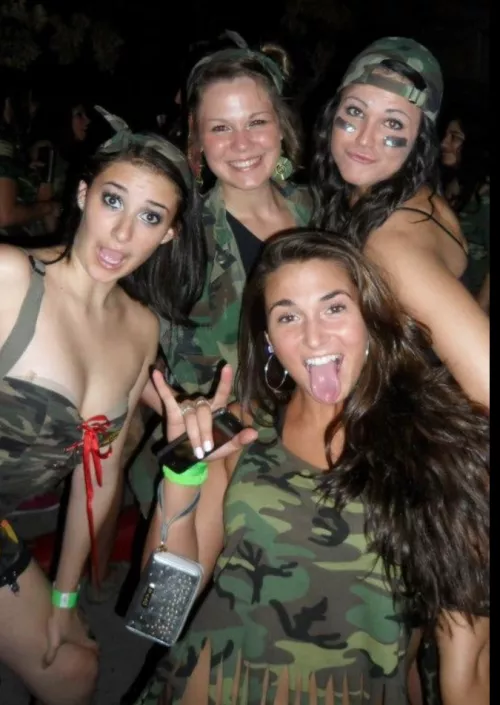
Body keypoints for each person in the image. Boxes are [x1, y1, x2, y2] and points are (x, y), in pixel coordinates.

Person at [135, 229, 489, 705]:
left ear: (370, 315)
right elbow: (160, 613)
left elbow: (468, 668)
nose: (314, 336)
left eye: (334, 308)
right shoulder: (240, 431)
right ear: (268, 340)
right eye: (288, 316)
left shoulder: (440, 449)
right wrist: (183, 471)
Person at [0, 110, 205, 705]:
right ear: (83, 195)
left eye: (149, 217)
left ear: (168, 234)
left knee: (75, 671)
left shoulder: (141, 329)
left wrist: (65, 598)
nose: (121, 234)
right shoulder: (12, 278)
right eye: (113, 201)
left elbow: (100, 476)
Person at [129, 39, 311, 517]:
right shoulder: (178, 235)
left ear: (281, 126)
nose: (242, 144)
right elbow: (118, 342)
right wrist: (181, 410)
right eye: (221, 128)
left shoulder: (319, 211)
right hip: (218, 450)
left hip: (314, 432)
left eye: (257, 122)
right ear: (198, 139)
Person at [310, 37, 489, 409]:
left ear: (418, 139)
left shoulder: (392, 241)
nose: (365, 139)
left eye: (392, 122)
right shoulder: (408, 194)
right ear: (333, 112)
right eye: (355, 111)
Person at [440, 108, 490, 312]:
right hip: (450, 297)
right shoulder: (448, 184)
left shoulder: (485, 194)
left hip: (472, 305)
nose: (444, 143)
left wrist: (478, 311)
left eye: (455, 137)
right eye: (445, 135)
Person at [0, 82, 61, 241]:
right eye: (27, 101)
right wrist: (48, 207)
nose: (32, 109)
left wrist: (23, 171)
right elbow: (5, 215)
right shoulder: (4, 143)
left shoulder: (12, 146)